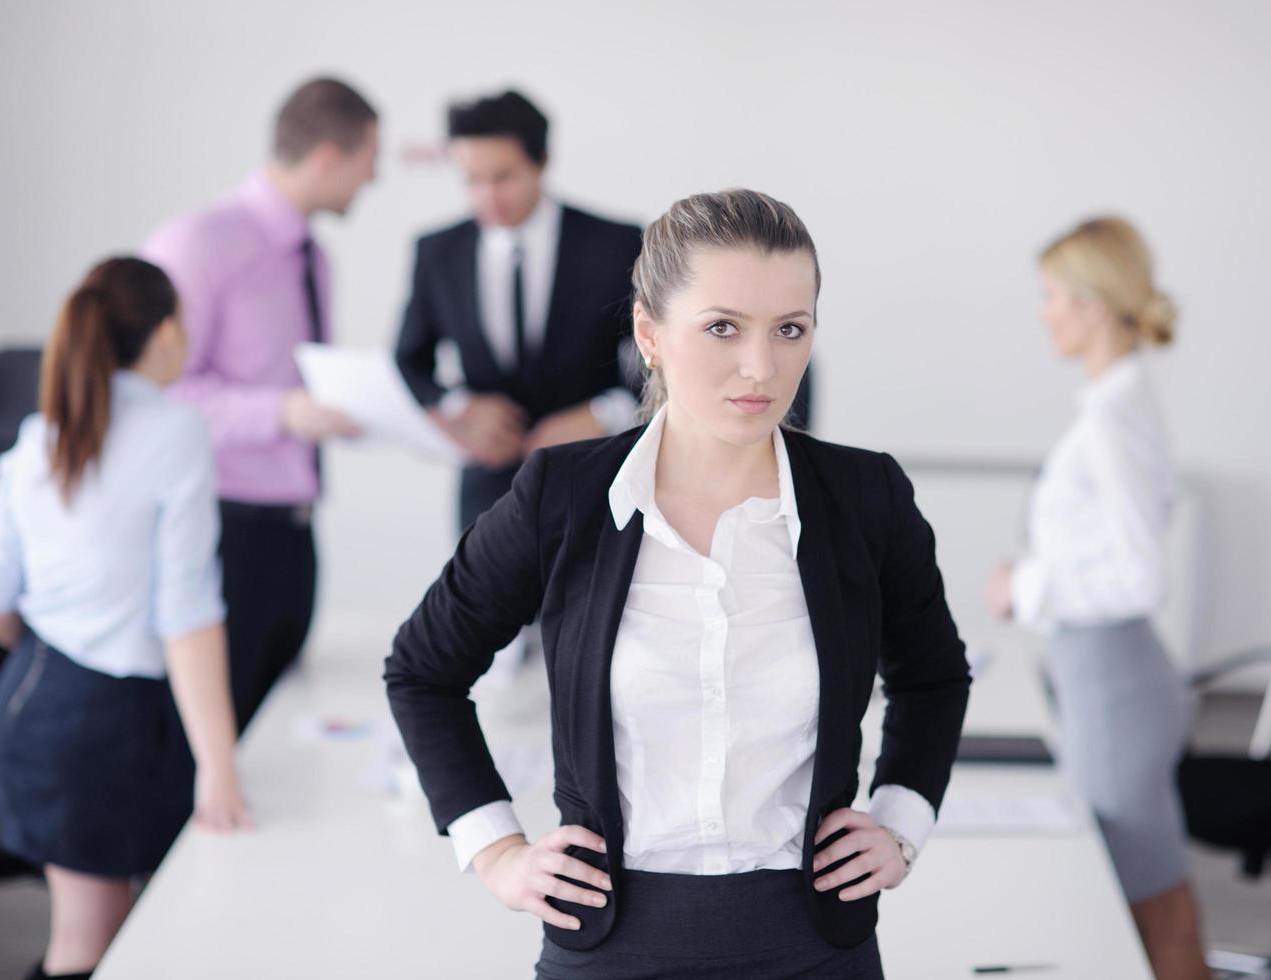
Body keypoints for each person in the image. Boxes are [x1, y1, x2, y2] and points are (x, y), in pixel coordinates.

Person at [386, 189, 970, 978]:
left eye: (789, 330)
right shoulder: (562, 495)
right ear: (649, 334)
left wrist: (901, 822)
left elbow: (932, 676)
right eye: (723, 327)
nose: (761, 366)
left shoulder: (866, 498)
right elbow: (423, 670)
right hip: (610, 943)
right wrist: (495, 850)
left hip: (812, 947)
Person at [0, 257, 249, 980]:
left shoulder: (39, 436)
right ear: (162, 335)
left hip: (36, 703)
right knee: (93, 949)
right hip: (101, 724)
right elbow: (187, 617)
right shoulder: (176, 431)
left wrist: (57, 642)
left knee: (107, 938)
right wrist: (219, 767)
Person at [986, 216, 1210, 980]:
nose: (1044, 313)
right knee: (1155, 898)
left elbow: (1144, 577)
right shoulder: (1115, 402)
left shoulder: (1114, 418)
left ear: (1091, 302)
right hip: (1104, 677)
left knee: (1152, 906)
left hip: (1116, 685)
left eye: (1051, 296)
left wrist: (1029, 586)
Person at [143, 77, 379, 731]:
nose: (374, 179)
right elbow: (155, 395)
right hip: (223, 533)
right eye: (368, 162)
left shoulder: (314, 258)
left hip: (295, 534)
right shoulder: (196, 245)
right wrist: (281, 413)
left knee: (281, 731)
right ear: (329, 157)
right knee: (217, 740)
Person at [394, 89, 646, 535]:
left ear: (542, 161)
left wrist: (607, 413)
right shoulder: (437, 252)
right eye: (472, 180)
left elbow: (657, 352)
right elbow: (409, 361)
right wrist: (460, 407)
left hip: (598, 481)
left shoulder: (617, 244)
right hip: (486, 495)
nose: (487, 196)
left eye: (503, 176)